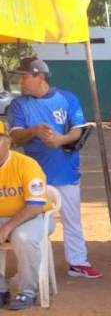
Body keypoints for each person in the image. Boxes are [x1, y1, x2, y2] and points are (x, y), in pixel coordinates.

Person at [8, 57, 102, 279]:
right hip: (33, 175)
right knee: (34, 221)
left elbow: (79, 129)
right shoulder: (19, 104)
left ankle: (78, 262)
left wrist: (60, 140)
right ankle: (34, 268)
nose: (20, 81)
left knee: (72, 219)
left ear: (39, 76)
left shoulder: (67, 98)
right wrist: (34, 131)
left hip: (66, 169)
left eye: (24, 76)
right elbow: (15, 136)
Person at [0, 120, 56, 310]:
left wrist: (8, 227)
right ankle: (1, 290)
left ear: (8, 141)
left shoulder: (26, 164)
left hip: (33, 217)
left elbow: (34, 205)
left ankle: (27, 292)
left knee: (23, 238)